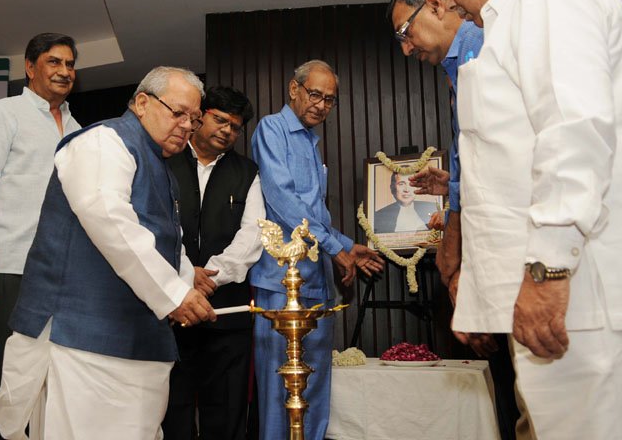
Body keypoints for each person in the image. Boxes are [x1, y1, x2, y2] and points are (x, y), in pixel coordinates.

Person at [430, 0, 622, 438]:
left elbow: (575, 131)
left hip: (578, 297)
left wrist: (546, 272)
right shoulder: (514, 18)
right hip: (555, 298)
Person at [0, 66, 216, 439]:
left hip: (137, 340)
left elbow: (164, 240)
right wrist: (175, 293)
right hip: (83, 339)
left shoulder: (162, 168)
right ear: (142, 102)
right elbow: (108, 219)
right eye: (178, 112)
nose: (187, 126)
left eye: (194, 119)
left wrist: (187, 280)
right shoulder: (103, 141)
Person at [388, 0, 523, 440]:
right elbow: (486, 155)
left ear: (437, 4)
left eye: (406, 33)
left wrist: (452, 253)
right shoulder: (457, 66)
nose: (406, 49)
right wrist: (452, 183)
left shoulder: (484, 52)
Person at [250, 60, 384, 440]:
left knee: (316, 381)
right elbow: (282, 202)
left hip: (318, 280)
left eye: (329, 100)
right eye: (314, 94)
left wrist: (345, 246)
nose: (321, 105)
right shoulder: (271, 129)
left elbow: (315, 212)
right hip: (281, 281)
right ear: (293, 89)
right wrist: (332, 246)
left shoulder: (311, 141)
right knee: (281, 384)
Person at [0, 32, 81, 439]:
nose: (64, 71)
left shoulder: (77, 127)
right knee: (6, 381)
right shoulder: (3, 112)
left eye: (69, 64)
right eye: (53, 62)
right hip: (10, 266)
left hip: (63, 275)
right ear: (30, 68)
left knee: (51, 381)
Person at [162, 86, 265, 440]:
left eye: (235, 127)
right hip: (170, 308)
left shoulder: (248, 172)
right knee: (171, 412)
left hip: (228, 312)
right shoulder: (165, 160)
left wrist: (212, 277)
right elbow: (156, 225)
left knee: (226, 411)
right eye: (220, 120)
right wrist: (184, 272)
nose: (227, 130)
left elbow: (253, 234)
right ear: (200, 115)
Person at [373, 172, 438, 234]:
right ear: (392, 188)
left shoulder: (434, 209)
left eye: (411, 184)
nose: (406, 190)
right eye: (401, 184)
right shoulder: (379, 216)